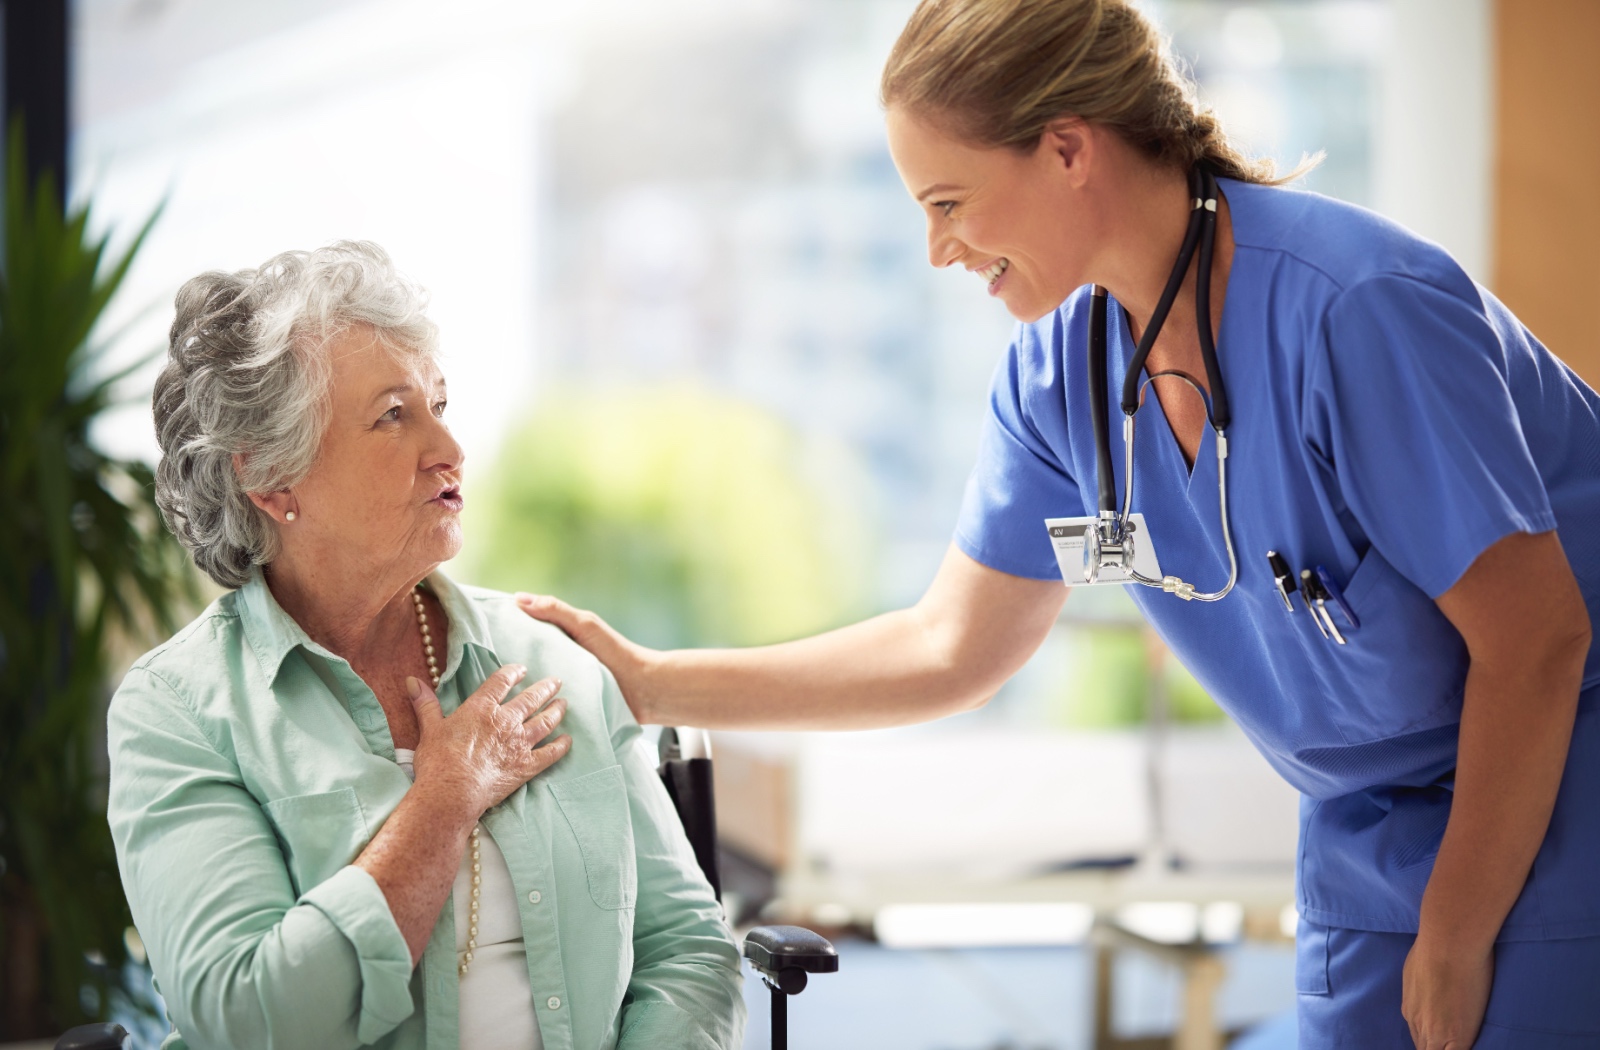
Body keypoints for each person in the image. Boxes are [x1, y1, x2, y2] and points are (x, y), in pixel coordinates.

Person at [514, 1, 1600, 1047]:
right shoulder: (1058, 377)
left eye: (948, 202)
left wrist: (1456, 931)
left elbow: (1536, 642)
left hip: (1555, 788)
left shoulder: (1355, 309)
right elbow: (949, 649)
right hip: (1364, 836)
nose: (937, 250)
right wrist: (648, 683)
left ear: (1067, 149)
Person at [107, 242, 746, 1050]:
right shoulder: (178, 712)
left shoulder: (547, 660)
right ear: (271, 479)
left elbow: (687, 950)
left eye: (439, 404)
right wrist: (444, 800)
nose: (448, 449)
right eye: (393, 415)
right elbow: (248, 1017)